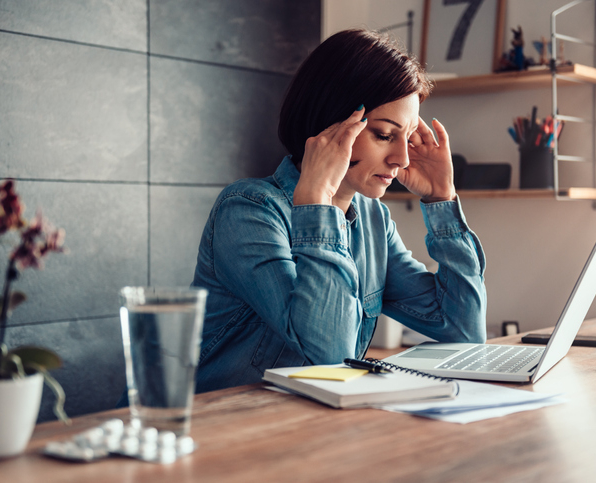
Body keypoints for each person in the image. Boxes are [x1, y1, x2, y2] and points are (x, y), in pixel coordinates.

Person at [192, 29, 486, 393]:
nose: (403, 159)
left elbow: (463, 329)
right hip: (223, 430)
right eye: (383, 134)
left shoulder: (373, 220)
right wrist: (317, 200)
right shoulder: (249, 210)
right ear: (330, 124)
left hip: (309, 426)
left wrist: (442, 199)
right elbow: (329, 354)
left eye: (407, 137)